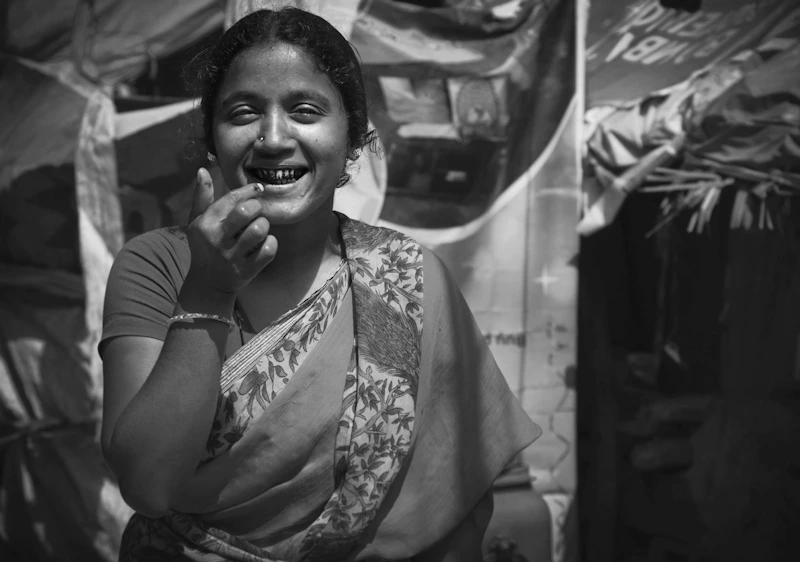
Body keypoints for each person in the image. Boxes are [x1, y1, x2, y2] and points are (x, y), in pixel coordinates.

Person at [100, 7, 540, 561]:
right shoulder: (158, 265)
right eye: (243, 112)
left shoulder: (407, 278)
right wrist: (208, 293)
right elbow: (146, 485)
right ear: (212, 136)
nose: (273, 138)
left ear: (353, 137)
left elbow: (457, 504)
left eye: (305, 110)